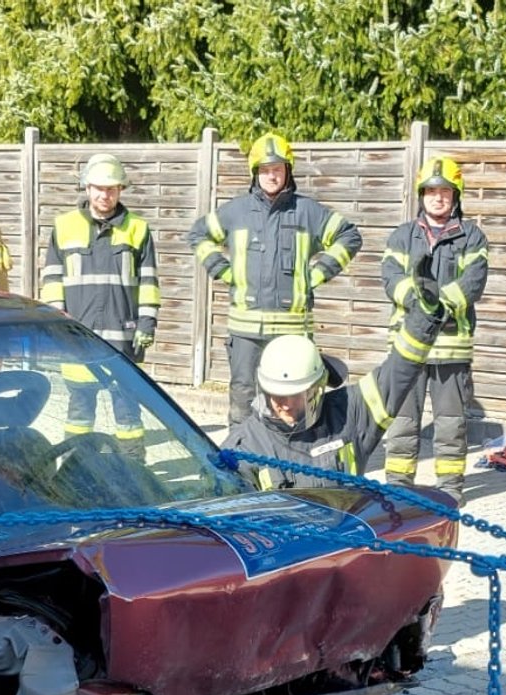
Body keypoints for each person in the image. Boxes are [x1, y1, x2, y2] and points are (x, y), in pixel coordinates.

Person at [189, 133, 363, 426]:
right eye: (265, 170)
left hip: (292, 330)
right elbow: (198, 234)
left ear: (288, 171)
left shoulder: (307, 211)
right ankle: (243, 461)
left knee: (294, 400)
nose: (272, 175)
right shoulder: (236, 211)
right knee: (243, 396)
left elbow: (350, 236)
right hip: (246, 330)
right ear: (255, 173)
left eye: (278, 169)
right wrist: (224, 271)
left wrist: (318, 274)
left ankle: (294, 459)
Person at [375, 156, 490, 504]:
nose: (438, 198)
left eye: (445, 192)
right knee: (402, 420)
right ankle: (398, 485)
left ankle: (450, 488)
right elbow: (390, 278)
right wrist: (416, 300)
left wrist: (436, 305)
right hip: (408, 346)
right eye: (431, 191)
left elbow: (473, 283)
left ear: (456, 196)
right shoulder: (401, 236)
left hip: (451, 347)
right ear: (421, 195)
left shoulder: (471, 237)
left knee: (451, 423)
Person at [40, 153, 162, 451]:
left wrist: (147, 322)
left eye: (111, 188)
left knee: (128, 412)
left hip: (123, 337)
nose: (104, 194)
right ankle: (75, 465)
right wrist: (57, 322)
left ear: (120, 190)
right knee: (79, 409)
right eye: (98, 188)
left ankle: (134, 466)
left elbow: (148, 280)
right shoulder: (64, 226)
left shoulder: (138, 229)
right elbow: (52, 278)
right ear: (87, 188)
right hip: (77, 337)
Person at [219, 334, 375, 489]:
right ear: (265, 390)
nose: (286, 405)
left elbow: (396, 375)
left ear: (316, 388)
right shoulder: (242, 447)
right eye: (279, 395)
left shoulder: (348, 413)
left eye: (296, 395)